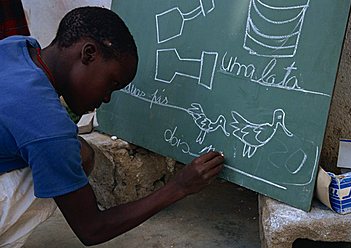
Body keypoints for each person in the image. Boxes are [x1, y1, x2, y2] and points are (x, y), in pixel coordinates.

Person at [0, 6, 224, 247]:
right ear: (88, 54)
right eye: (111, 84)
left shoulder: (16, 47)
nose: (106, 99)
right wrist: (180, 187)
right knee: (67, 155)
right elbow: (92, 229)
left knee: (76, 152)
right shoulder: (46, 124)